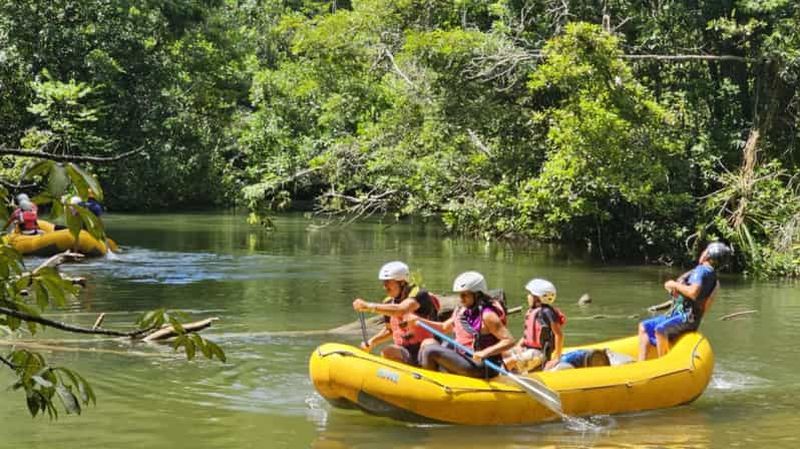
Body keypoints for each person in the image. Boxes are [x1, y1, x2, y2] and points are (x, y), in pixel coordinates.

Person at [638, 242, 731, 360]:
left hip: (686, 318)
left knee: (660, 330)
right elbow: (700, 300)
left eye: (705, 251)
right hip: (684, 316)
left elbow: (693, 292)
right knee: (644, 326)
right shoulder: (712, 277)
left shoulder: (701, 271)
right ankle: (641, 364)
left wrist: (673, 284)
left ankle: (664, 365)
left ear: (708, 255)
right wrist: (675, 291)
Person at [414, 271, 514, 378]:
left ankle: (430, 384)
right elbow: (443, 327)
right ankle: (428, 377)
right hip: (464, 357)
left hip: (482, 365)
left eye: (465, 295)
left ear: (477, 294)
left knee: (430, 351)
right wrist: (419, 321)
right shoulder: (461, 310)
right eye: (460, 294)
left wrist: (485, 352)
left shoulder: (487, 315)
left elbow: (509, 341)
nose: (461, 299)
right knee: (427, 343)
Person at [352, 261, 440, 366]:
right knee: (387, 352)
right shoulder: (388, 303)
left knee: (428, 345)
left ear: (402, 282)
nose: (385, 287)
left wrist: (369, 306)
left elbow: (401, 310)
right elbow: (390, 330)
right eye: (384, 283)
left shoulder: (420, 294)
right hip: (406, 350)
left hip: (427, 349)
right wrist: (372, 342)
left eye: (388, 282)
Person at [503, 279, 566, 373]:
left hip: (539, 353)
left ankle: (499, 376)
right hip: (528, 349)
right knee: (503, 352)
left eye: (530, 294)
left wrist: (556, 357)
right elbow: (529, 334)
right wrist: (519, 345)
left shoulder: (547, 312)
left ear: (539, 298)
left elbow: (559, 335)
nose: (528, 296)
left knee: (510, 361)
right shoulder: (534, 311)